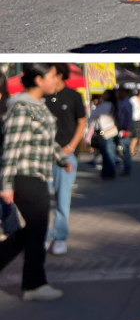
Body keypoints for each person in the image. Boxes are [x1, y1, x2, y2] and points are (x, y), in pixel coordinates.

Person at [0, 64, 70, 301]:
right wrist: (6, 184)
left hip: (37, 176)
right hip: (24, 176)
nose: (56, 80)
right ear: (39, 80)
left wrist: (62, 160)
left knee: (35, 229)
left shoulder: (37, 107)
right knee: (38, 229)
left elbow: (47, 143)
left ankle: (28, 279)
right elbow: (11, 147)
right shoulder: (22, 108)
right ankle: (33, 285)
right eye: (52, 76)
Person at [42, 65, 84, 257]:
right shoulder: (41, 96)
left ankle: (59, 237)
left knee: (62, 199)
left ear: (58, 75)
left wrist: (71, 146)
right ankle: (43, 236)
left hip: (66, 154)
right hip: (43, 155)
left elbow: (82, 122)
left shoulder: (74, 96)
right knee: (40, 200)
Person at [88, 93, 119, 178]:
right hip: (113, 130)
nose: (103, 95)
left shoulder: (105, 105)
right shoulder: (114, 104)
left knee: (106, 153)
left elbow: (94, 114)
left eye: (105, 93)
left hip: (104, 131)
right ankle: (111, 172)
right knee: (111, 152)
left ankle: (106, 173)